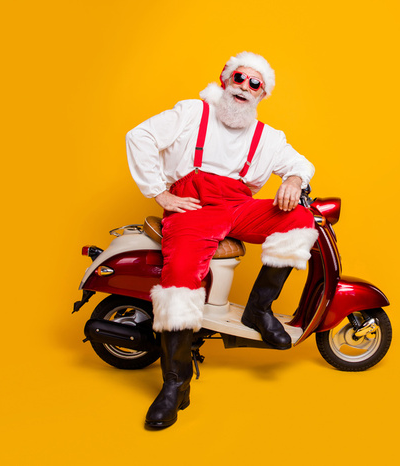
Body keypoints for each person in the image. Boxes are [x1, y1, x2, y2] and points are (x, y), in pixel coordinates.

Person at [126, 52, 317, 428]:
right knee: (179, 279)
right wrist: (159, 193)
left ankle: (258, 311)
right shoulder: (191, 113)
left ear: (262, 94)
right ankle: (175, 384)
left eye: (255, 83)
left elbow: (301, 164)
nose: (245, 87)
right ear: (226, 79)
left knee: (299, 218)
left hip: (237, 207)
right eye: (240, 78)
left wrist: (293, 181)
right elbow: (140, 136)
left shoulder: (268, 137)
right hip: (193, 209)